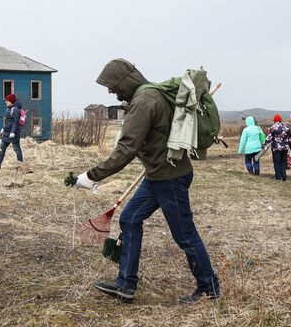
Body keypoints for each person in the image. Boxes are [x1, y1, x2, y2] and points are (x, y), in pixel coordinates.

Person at [75, 58, 220, 303]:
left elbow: (127, 148)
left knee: (184, 234)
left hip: (170, 178)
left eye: (112, 85)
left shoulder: (144, 101)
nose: (111, 91)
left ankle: (209, 287)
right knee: (130, 219)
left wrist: (92, 175)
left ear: (124, 81)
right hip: (158, 176)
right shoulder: (149, 94)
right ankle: (126, 283)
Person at [0, 93, 23, 170]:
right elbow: (8, 121)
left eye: (7, 101)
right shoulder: (8, 109)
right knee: (2, 147)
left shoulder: (16, 109)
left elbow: (15, 122)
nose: (6, 102)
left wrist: (13, 132)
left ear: (11, 101)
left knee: (16, 149)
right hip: (7, 132)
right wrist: (4, 128)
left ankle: (21, 165)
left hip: (14, 133)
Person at [263, 114, 291, 181]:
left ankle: (278, 177)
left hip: (276, 148)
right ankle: (284, 176)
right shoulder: (286, 127)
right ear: (280, 120)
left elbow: (269, 138)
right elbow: (290, 138)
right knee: (283, 161)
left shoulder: (273, 127)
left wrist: (264, 144)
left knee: (277, 162)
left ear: (274, 120)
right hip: (285, 148)